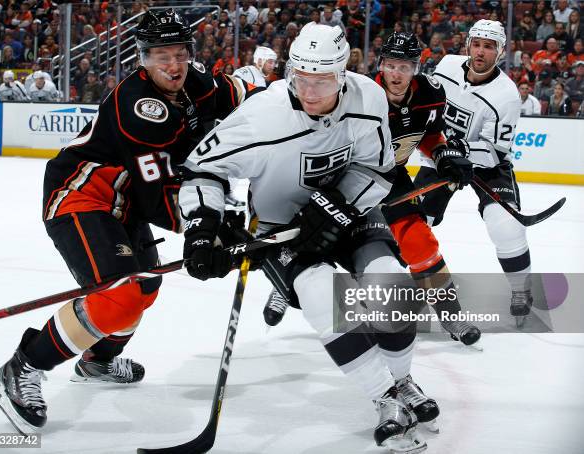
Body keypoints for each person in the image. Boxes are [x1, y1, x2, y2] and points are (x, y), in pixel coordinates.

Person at [0, 8, 258, 435]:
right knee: (120, 296)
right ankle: (24, 367)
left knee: (146, 285)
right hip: (82, 197)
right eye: (160, 56)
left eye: (179, 53)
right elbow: (158, 197)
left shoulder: (192, 80)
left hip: (125, 203)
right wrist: (209, 231)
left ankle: (97, 361)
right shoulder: (139, 108)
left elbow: (235, 93)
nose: (172, 65)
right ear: (142, 58)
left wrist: (283, 91)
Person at [178, 22, 432, 452]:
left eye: (324, 80)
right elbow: (201, 171)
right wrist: (203, 228)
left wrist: (337, 204)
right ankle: (384, 398)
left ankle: (403, 380)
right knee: (320, 296)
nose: (311, 92)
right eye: (302, 78)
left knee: (392, 284)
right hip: (281, 230)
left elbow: (379, 168)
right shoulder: (262, 113)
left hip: (349, 212)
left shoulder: (368, 97)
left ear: (344, 73)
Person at [264, 31, 481, 347]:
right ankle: (286, 283)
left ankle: (451, 313)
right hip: (344, 179)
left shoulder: (432, 94)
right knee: (318, 240)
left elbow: (433, 135)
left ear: (416, 68)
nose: (397, 74)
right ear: (381, 64)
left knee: (419, 241)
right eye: (391, 65)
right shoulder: (359, 94)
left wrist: (445, 154)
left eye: (404, 67)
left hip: (392, 179)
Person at [413, 20, 535, 325]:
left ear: (501, 52)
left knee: (506, 226)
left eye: (489, 46)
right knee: (413, 225)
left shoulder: (507, 95)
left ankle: (521, 289)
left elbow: (497, 151)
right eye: (477, 44)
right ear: (468, 44)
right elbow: (425, 99)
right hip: (441, 158)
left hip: (486, 165)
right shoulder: (447, 65)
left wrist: (463, 150)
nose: (480, 52)